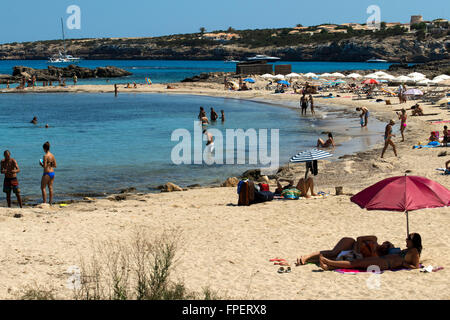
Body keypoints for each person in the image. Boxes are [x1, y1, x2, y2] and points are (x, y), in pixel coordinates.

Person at [319, 233, 422, 271]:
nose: (406, 240)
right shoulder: (409, 250)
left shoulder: (414, 252)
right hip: (383, 259)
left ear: (413, 242)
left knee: (356, 263)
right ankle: (329, 267)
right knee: (358, 263)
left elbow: (416, 266)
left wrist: (404, 264)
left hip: (386, 263)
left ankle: (328, 262)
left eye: (408, 239)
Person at [296, 236, 394, 266]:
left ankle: (310, 261)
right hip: (350, 243)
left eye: (388, 248)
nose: (386, 246)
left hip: (352, 253)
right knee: (333, 253)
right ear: (385, 242)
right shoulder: (374, 239)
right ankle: (306, 257)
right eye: (387, 244)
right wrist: (358, 250)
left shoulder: (376, 256)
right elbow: (359, 238)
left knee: (333, 258)